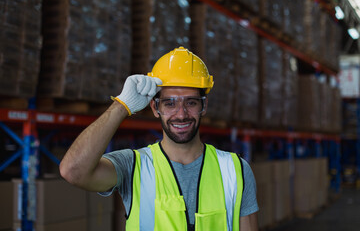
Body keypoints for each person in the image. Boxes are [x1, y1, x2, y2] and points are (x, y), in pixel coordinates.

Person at [60, 47, 259, 231]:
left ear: (203, 107)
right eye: (170, 103)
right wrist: (121, 106)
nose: (181, 114)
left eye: (191, 102)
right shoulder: (133, 166)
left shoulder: (235, 170)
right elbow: (73, 171)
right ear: (156, 108)